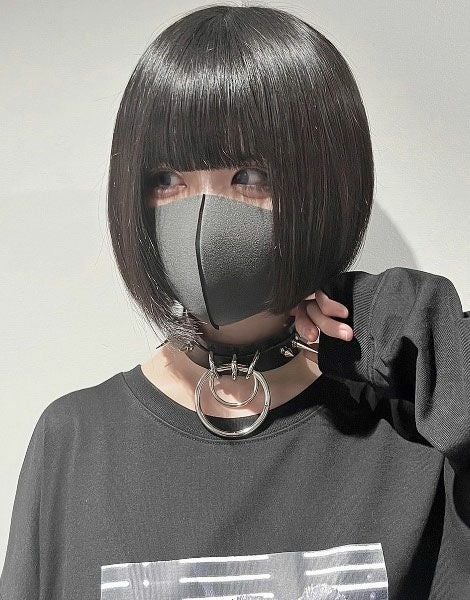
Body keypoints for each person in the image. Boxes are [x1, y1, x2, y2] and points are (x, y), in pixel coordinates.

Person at [1, 4, 469, 599]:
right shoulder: (74, 441)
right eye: (167, 179)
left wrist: (430, 340)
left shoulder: (412, 427)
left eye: (250, 176)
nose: (202, 217)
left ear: (327, 187)